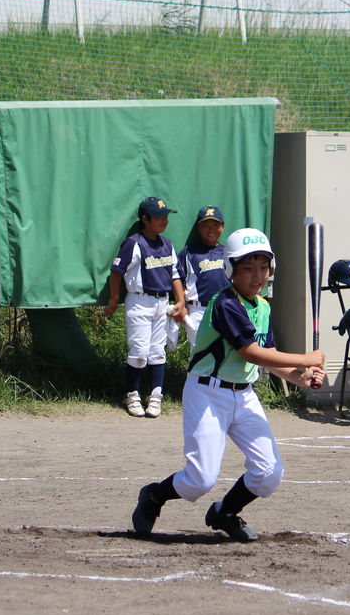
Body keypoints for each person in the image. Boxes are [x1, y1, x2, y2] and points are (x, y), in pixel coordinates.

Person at [130, 228, 325, 542]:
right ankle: (154, 496)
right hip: (207, 392)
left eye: (263, 267)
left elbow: (269, 357)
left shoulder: (262, 307)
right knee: (199, 480)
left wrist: (301, 377)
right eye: (247, 268)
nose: (257, 275)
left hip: (244, 395)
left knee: (269, 472)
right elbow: (249, 351)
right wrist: (306, 358)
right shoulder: (225, 303)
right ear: (231, 270)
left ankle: (225, 512)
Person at [105, 196, 187, 418]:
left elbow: (175, 275)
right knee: (140, 352)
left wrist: (180, 302)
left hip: (162, 302)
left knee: (157, 353)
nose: (164, 221)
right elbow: (116, 272)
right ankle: (132, 395)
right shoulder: (135, 242)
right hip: (139, 301)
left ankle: (156, 396)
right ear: (145, 219)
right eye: (159, 217)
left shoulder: (166, 244)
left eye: (166, 217)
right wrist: (114, 299)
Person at [169, 205, 229, 350]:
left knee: (226, 350)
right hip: (198, 310)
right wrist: (181, 305)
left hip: (226, 307)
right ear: (198, 228)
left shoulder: (228, 252)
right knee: (199, 352)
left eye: (215, 225)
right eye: (206, 226)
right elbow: (178, 280)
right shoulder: (189, 252)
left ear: (222, 227)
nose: (211, 229)